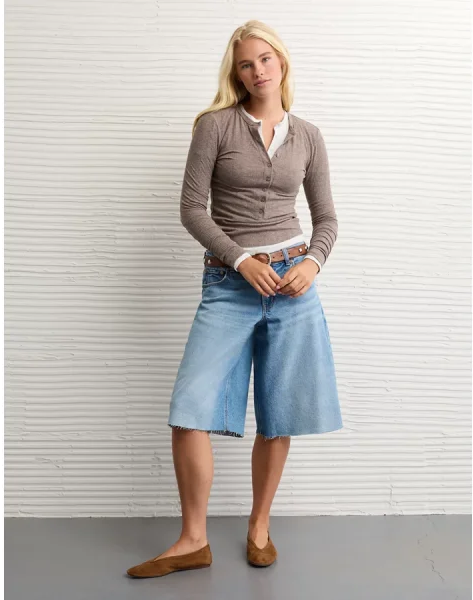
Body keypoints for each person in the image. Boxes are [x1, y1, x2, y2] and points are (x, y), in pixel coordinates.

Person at [127, 19, 343, 579]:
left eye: (266, 59)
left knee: (279, 414)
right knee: (189, 410)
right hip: (229, 284)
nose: (258, 70)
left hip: (294, 286)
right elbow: (191, 209)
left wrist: (312, 264)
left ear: (282, 62)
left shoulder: (309, 135)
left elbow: (326, 218)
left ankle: (259, 527)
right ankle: (193, 539)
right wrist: (242, 260)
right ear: (236, 73)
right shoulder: (215, 126)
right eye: (246, 64)